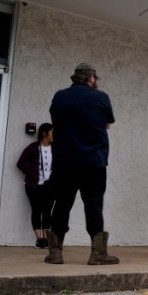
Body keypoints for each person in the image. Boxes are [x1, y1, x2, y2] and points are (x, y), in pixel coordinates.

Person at [45, 63, 118, 265]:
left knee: (61, 204)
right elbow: (108, 123)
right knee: (93, 205)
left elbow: (56, 121)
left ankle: (55, 253)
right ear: (91, 78)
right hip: (93, 162)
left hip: (64, 162)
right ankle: (98, 254)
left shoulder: (59, 96)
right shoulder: (100, 97)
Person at [17, 123, 56, 249]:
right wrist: (32, 173)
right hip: (33, 185)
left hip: (50, 186)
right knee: (36, 210)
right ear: (44, 133)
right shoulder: (33, 147)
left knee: (47, 212)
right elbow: (21, 163)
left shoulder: (56, 148)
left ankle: (47, 238)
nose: (54, 135)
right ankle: (39, 239)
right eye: (52, 132)